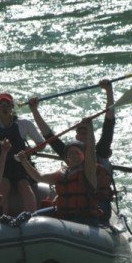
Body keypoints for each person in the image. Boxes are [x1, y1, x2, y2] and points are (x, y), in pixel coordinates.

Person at [28, 80, 116, 222]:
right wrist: (34, 110)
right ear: (76, 136)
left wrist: (109, 91)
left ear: (91, 134)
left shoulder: (101, 150)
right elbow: (49, 136)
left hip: (98, 204)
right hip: (74, 207)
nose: (83, 134)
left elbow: (109, 123)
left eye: (87, 131)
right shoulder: (71, 154)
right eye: (80, 131)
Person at [16, 122, 113, 226]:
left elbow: (91, 151)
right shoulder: (62, 174)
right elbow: (39, 177)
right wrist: (24, 161)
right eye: (71, 153)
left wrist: (89, 128)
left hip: (85, 217)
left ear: (84, 155)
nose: (74, 155)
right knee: (34, 216)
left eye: (77, 153)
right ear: (67, 158)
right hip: (64, 214)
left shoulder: (89, 171)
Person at [0, 92, 45, 214]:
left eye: (7, 104)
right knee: (3, 185)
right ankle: (3, 218)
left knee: (24, 185)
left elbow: (41, 144)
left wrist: (29, 151)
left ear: (12, 107)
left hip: (21, 164)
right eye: (1, 104)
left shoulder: (24, 123)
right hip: (0, 166)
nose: (4, 107)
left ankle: (32, 217)